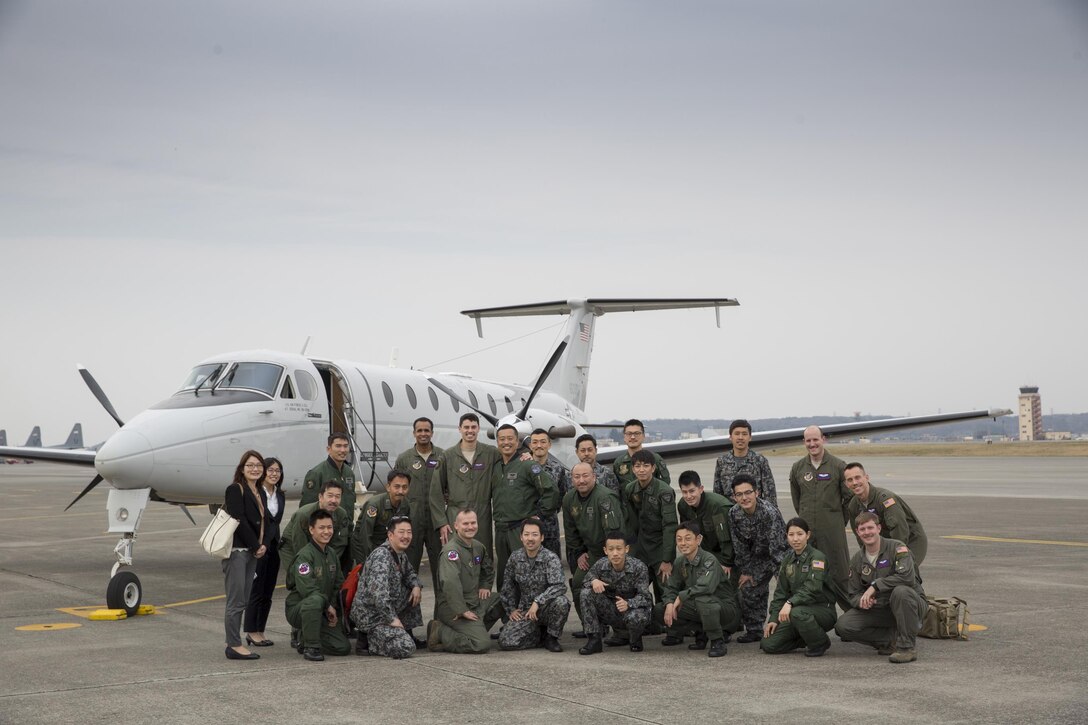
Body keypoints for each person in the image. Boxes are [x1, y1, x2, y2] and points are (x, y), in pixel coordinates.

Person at [835, 513, 928, 663]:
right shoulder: (857, 560)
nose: (867, 532)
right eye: (862, 529)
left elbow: (907, 578)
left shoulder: (897, 548)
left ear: (878, 528)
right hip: (881, 608)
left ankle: (906, 647)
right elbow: (853, 594)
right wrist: (862, 601)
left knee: (901, 591)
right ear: (858, 533)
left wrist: (875, 586)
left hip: (909, 604)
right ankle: (889, 640)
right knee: (844, 626)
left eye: (870, 527)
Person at [279, 481, 353, 650]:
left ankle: (321, 624)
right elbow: (300, 548)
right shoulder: (304, 514)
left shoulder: (340, 514)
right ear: (320, 497)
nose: (334, 500)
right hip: (295, 548)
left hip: (324, 549)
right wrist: (317, 560)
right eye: (330, 495)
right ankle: (299, 630)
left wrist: (328, 560)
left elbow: (340, 543)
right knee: (306, 585)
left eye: (338, 496)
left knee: (326, 580)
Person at [655, 521, 740, 657]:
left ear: (698, 539)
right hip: (699, 605)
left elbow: (706, 588)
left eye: (688, 538)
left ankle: (717, 641)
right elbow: (671, 587)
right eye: (679, 539)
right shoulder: (680, 562)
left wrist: (681, 596)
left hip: (724, 610)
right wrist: (670, 603)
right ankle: (701, 632)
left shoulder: (709, 560)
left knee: (702, 600)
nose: (683, 543)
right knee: (660, 610)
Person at [427, 508, 504, 653]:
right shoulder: (452, 552)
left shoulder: (477, 547)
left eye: (473, 523)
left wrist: (485, 585)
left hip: (474, 599)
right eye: (465, 524)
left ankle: (472, 630)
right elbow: (450, 582)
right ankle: (440, 631)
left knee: (503, 600)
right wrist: (461, 610)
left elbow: (487, 569)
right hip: (452, 606)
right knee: (481, 644)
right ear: (456, 526)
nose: (470, 527)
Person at [492, 425, 558, 590]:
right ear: (497, 442)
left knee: (525, 575)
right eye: (502, 439)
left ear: (517, 441)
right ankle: (508, 613)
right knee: (504, 575)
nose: (506, 442)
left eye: (510, 438)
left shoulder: (527, 465)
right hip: (500, 530)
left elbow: (551, 491)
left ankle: (530, 612)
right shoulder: (496, 467)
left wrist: (539, 516)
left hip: (518, 529)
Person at [761, 517, 837, 656]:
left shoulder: (817, 557)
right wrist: (773, 619)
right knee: (769, 644)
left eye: (800, 534)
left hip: (822, 610)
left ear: (807, 535)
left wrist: (790, 603)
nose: (795, 539)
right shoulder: (787, 560)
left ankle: (820, 643)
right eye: (791, 535)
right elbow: (780, 593)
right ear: (787, 537)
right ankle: (806, 638)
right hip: (798, 612)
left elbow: (812, 588)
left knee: (797, 613)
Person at [789, 425, 851, 598]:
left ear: (823, 439)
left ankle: (855, 618)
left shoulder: (838, 466)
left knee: (840, 574)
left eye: (815, 439)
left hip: (832, 532)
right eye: (808, 440)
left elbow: (849, 499)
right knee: (808, 574)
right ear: (804, 442)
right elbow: (797, 500)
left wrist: (837, 521)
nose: (812, 444)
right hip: (807, 533)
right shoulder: (798, 468)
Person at [563, 462, 624, 637]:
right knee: (577, 584)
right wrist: (580, 552)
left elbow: (614, 535)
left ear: (594, 477)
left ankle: (622, 631)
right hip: (592, 553)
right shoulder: (569, 499)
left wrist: (608, 561)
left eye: (585, 476)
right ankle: (591, 627)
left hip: (613, 553)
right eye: (577, 477)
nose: (581, 480)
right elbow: (571, 531)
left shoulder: (605, 497)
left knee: (613, 586)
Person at [351, 515, 423, 659]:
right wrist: (392, 620)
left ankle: (406, 632)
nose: (406, 536)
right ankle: (367, 639)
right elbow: (379, 595)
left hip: (383, 610)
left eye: (409, 532)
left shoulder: (399, 553)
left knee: (413, 591)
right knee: (406, 647)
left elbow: (410, 573)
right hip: (372, 617)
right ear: (390, 535)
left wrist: (416, 586)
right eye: (401, 532)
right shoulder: (382, 556)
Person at [429, 413, 500, 557]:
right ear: (459, 429)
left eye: (473, 427)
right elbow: (435, 491)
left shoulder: (491, 453)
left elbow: (510, 453)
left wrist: (526, 454)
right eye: (466, 427)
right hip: (455, 516)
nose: (470, 430)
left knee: (482, 557)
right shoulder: (447, 456)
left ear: (478, 429)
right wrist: (442, 522)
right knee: (456, 557)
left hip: (482, 516)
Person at [729, 473, 789, 644]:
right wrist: (747, 571)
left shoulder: (769, 512)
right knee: (748, 586)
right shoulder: (734, 514)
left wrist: (782, 577)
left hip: (779, 555)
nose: (744, 497)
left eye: (748, 492)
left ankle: (784, 627)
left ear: (757, 492)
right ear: (734, 497)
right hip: (758, 557)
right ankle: (754, 629)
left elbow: (778, 548)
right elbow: (739, 545)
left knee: (785, 590)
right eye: (739, 494)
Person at [222, 450, 269, 660]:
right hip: (238, 551)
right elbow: (238, 519)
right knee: (236, 600)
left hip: (251, 551)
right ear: (242, 468)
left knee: (244, 598)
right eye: (250, 465)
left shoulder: (259, 491)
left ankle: (233, 640)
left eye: (258, 465)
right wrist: (254, 546)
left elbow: (264, 522)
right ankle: (233, 644)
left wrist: (263, 545)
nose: (255, 469)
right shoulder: (235, 489)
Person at [497, 518, 570, 652]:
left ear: (542, 537)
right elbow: (508, 585)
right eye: (526, 534)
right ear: (521, 537)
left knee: (562, 602)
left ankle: (551, 637)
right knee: (505, 641)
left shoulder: (550, 558)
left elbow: (559, 586)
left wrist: (538, 602)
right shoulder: (515, 557)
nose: (530, 538)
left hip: (546, 609)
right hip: (525, 611)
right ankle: (539, 635)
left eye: (535, 535)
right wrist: (511, 609)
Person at [578, 530, 652, 655]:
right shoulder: (601, 564)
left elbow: (646, 598)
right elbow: (585, 582)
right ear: (605, 550)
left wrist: (628, 603)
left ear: (626, 549)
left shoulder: (639, 567)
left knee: (637, 617)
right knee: (586, 593)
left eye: (619, 548)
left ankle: (635, 639)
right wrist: (593, 581)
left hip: (631, 610)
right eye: (611, 549)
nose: (615, 553)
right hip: (611, 610)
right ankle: (594, 640)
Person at [621, 449, 678, 604]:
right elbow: (630, 520)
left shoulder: (664, 492)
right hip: (641, 544)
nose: (642, 469)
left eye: (646, 466)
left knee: (666, 589)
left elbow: (670, 526)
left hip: (660, 545)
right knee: (634, 587)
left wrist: (667, 560)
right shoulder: (630, 489)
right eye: (638, 466)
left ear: (653, 468)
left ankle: (669, 623)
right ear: (633, 469)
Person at [845, 462, 928, 567]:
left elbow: (899, 530)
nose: (855, 482)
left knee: (904, 572)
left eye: (858, 478)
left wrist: (891, 555)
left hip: (910, 540)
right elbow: (860, 535)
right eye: (850, 480)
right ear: (846, 484)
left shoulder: (885, 499)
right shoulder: (853, 506)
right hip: (886, 542)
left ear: (866, 478)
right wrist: (868, 555)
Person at [394, 417, 443, 593]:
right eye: (419, 430)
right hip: (411, 522)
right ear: (414, 433)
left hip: (435, 522)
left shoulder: (442, 456)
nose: (423, 434)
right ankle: (407, 614)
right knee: (408, 568)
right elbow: (396, 489)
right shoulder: (404, 458)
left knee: (440, 569)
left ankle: (441, 615)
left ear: (432, 432)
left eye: (426, 430)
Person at [244, 456, 285, 647]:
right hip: (260, 547)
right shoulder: (256, 493)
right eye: (271, 470)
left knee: (268, 591)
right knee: (256, 590)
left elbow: (275, 522)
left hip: (274, 547)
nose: (274, 474)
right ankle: (251, 631)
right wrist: (259, 544)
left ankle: (260, 629)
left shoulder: (280, 495)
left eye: (277, 470)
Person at [677, 470, 736, 575]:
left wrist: (726, 563)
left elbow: (726, 539)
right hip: (703, 553)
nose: (688, 496)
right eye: (684, 492)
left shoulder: (716, 506)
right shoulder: (683, 505)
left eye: (692, 491)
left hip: (725, 554)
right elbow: (687, 533)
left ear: (701, 489)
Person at [351, 469, 411, 566]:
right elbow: (365, 534)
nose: (401, 491)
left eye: (405, 487)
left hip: (385, 545)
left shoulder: (405, 505)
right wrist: (374, 558)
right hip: (364, 545)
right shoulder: (374, 505)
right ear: (388, 487)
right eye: (397, 487)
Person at [713, 419, 778, 507]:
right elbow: (717, 495)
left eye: (744, 434)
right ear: (730, 437)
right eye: (737, 434)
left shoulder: (760, 461)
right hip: (729, 515)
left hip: (755, 516)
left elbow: (770, 495)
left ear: (750, 437)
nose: (740, 437)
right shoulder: (722, 461)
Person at [528, 428, 570, 558]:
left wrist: (550, 512)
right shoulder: (523, 466)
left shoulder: (558, 468)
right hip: (528, 524)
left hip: (550, 526)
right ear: (530, 445)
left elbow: (561, 494)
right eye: (535, 442)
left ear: (549, 444)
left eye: (542, 442)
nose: (539, 445)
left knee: (552, 561)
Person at [300, 433, 358, 522]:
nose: (342, 450)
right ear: (329, 449)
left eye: (345, 446)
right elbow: (307, 507)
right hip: (324, 529)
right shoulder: (317, 473)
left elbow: (350, 502)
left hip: (344, 528)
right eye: (338, 446)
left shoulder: (349, 473)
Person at [612, 419, 670, 488]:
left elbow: (665, 484)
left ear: (643, 436)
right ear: (624, 437)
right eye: (629, 434)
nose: (632, 437)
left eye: (637, 433)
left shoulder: (655, 459)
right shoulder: (618, 462)